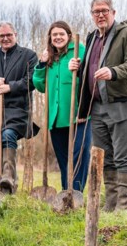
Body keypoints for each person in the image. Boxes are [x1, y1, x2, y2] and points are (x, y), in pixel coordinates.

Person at [69, 0, 127, 211]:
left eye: (104, 10)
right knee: (106, 158)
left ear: (113, 12)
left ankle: (123, 207)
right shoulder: (93, 38)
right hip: (98, 109)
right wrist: (78, 67)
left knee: (124, 157)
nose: (100, 15)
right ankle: (110, 205)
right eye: (96, 12)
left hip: (123, 106)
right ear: (92, 15)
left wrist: (113, 72)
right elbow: (92, 69)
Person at [0, 21, 39, 194]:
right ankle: (8, 185)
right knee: (4, 140)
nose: (5, 38)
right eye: (1, 36)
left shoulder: (28, 55)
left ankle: (7, 175)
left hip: (19, 109)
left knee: (8, 134)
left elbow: (32, 80)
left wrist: (10, 87)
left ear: (15, 35)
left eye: (9, 35)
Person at [33, 21, 91, 192]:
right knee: (64, 161)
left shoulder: (79, 51)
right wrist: (42, 64)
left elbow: (89, 75)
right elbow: (40, 85)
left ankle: (76, 194)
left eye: (61, 34)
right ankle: (66, 194)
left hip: (78, 115)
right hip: (56, 118)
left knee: (79, 157)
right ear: (50, 38)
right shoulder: (50, 58)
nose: (58, 37)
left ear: (69, 35)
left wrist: (79, 69)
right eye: (54, 35)